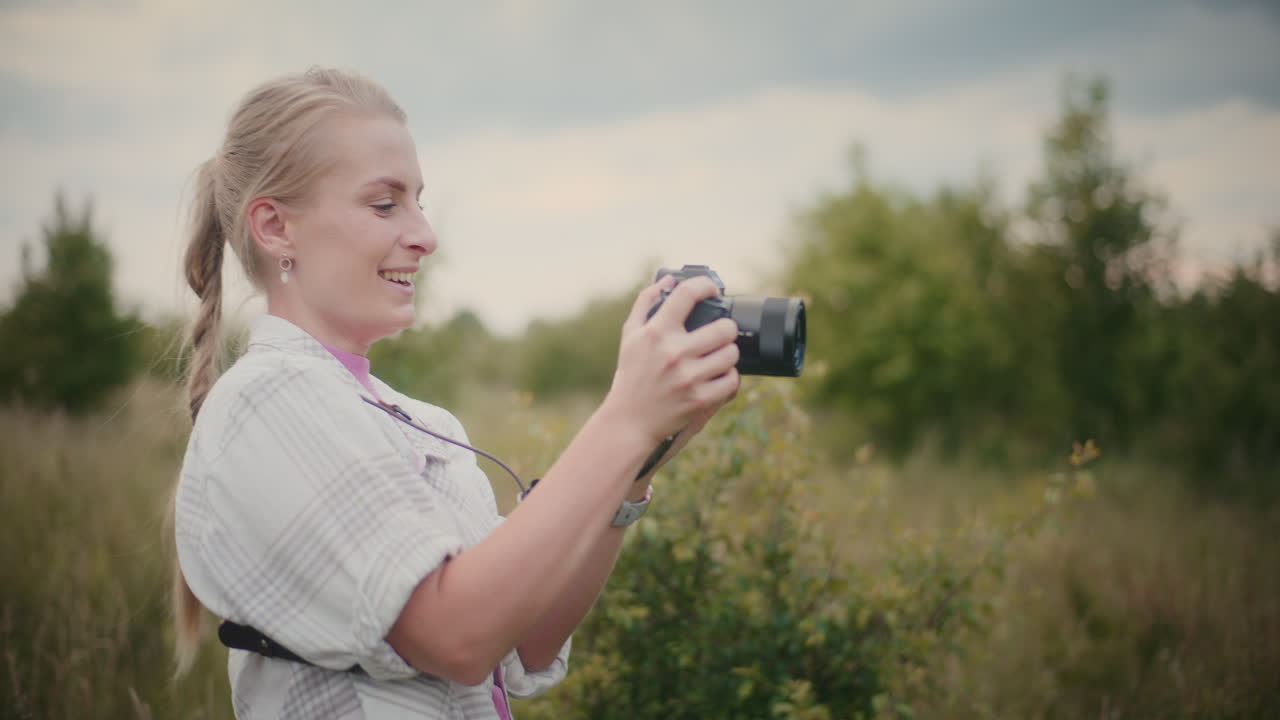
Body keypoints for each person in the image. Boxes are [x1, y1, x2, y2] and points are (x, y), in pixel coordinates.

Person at [170, 67, 741, 719]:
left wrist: (643, 458)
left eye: (419, 201)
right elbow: (455, 635)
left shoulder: (416, 420)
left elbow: (522, 643)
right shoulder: (269, 401)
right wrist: (622, 421)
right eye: (385, 204)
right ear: (275, 228)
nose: (425, 235)